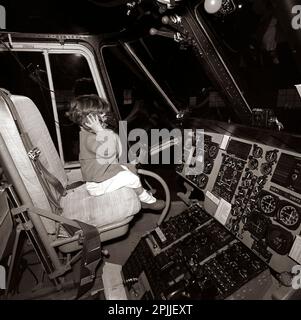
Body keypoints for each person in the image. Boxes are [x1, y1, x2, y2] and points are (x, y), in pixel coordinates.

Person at [67, 94, 165, 210]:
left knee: (130, 168)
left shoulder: (92, 134)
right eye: (101, 115)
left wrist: (104, 132)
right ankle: (147, 201)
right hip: (98, 184)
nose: (104, 118)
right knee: (130, 178)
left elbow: (117, 150)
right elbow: (109, 152)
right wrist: (100, 131)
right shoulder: (89, 139)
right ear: (88, 120)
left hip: (102, 174)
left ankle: (139, 192)